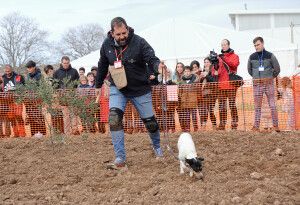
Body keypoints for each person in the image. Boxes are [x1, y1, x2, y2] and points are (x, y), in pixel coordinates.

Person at [95, 17, 164, 168]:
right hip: (118, 88)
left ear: (127, 29)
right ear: (112, 33)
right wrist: (98, 85)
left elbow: (151, 58)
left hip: (140, 88)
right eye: (118, 34)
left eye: (124, 33)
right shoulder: (106, 45)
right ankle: (120, 158)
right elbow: (102, 64)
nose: (122, 37)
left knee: (150, 122)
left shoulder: (139, 42)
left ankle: (157, 146)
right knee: (113, 118)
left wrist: (158, 66)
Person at [247, 36, 280, 132]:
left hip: (269, 83)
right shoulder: (251, 57)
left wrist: (270, 77)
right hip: (257, 84)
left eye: (258, 44)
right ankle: (256, 126)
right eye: (255, 45)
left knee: (272, 105)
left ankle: (276, 125)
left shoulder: (270, 55)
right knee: (257, 106)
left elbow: (277, 69)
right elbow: (249, 70)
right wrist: (256, 77)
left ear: (263, 43)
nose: (256, 47)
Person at [213, 39, 240, 130]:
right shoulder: (218, 58)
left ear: (229, 45)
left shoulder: (234, 56)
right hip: (221, 85)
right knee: (222, 106)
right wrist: (215, 67)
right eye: (222, 45)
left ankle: (234, 123)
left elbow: (234, 64)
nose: (223, 46)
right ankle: (222, 124)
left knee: (232, 104)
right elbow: (214, 71)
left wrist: (224, 58)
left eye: (225, 44)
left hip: (231, 84)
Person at [53, 56, 80, 135]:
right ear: (61, 63)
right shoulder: (57, 72)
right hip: (62, 96)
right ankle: (67, 132)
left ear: (69, 62)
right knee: (66, 115)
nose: (66, 64)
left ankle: (75, 130)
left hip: (72, 95)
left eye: (67, 63)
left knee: (74, 113)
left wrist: (73, 90)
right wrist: (58, 91)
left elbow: (77, 82)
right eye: (64, 63)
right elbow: (54, 84)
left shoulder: (74, 71)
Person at [2, 65, 26, 137]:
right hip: (8, 101)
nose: (7, 73)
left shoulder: (18, 76)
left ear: (11, 70)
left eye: (8, 71)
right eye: (6, 71)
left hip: (17, 100)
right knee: (11, 117)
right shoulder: (3, 77)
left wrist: (15, 90)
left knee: (18, 115)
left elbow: (23, 87)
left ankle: (22, 133)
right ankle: (16, 133)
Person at [25, 60, 47, 136]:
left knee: (39, 116)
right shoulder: (27, 76)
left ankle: (42, 133)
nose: (29, 69)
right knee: (31, 116)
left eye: (30, 67)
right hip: (29, 99)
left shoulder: (39, 75)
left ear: (34, 67)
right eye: (28, 68)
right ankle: (34, 133)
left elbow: (42, 87)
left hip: (38, 99)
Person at [178, 66, 199, 131]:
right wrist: (181, 97)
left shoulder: (195, 80)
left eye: (188, 71)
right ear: (183, 72)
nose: (187, 73)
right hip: (184, 101)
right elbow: (180, 91)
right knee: (186, 115)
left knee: (194, 115)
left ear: (191, 72)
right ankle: (188, 128)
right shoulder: (181, 81)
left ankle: (195, 127)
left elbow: (198, 89)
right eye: (185, 71)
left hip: (193, 100)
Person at [200, 57, 217, 130]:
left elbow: (214, 80)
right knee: (204, 110)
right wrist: (201, 77)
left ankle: (214, 125)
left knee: (210, 110)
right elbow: (200, 82)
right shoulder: (202, 71)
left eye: (207, 62)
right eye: (205, 62)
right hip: (204, 93)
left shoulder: (213, 71)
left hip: (212, 93)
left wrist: (206, 75)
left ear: (210, 63)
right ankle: (203, 125)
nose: (206, 63)